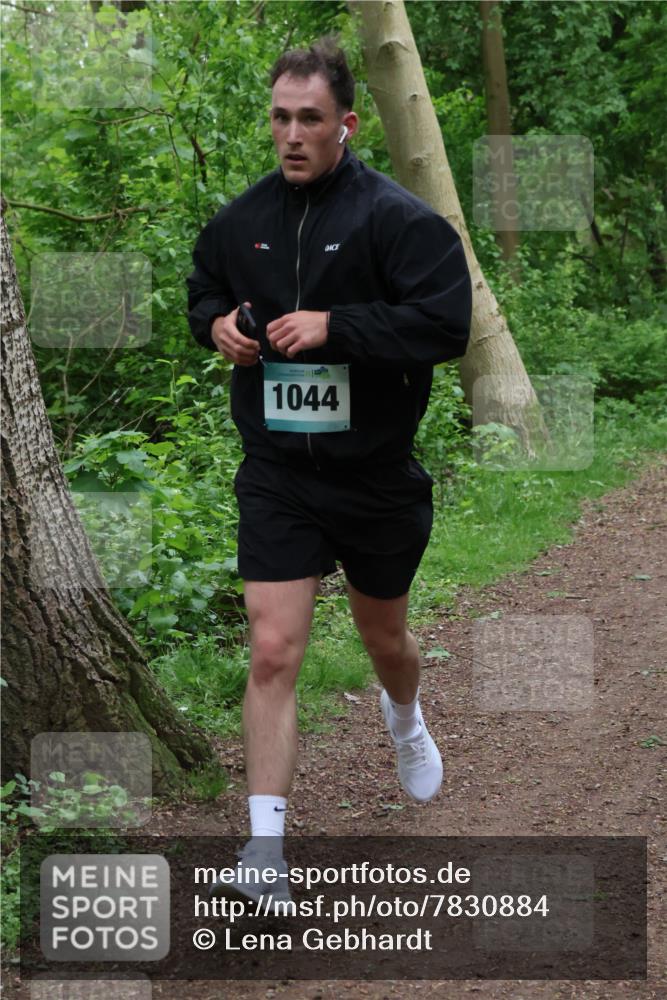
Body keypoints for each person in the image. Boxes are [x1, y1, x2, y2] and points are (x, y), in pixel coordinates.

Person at [186, 38, 472, 904]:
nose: (292, 134)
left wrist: (335, 327)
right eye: (280, 117)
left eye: (310, 118)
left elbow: (443, 327)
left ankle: (404, 719)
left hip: (376, 475)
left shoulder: (399, 221)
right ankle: (265, 852)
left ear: (345, 124)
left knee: (385, 638)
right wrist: (217, 330)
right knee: (272, 648)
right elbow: (202, 292)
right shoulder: (240, 223)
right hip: (278, 470)